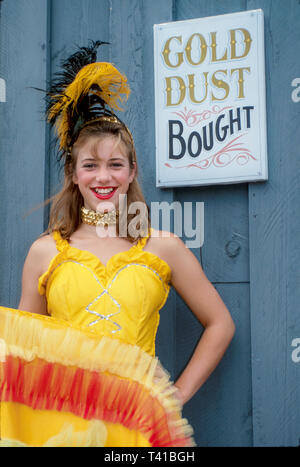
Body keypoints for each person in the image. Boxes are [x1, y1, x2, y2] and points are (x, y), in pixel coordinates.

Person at [0, 41, 235, 447]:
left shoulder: (163, 247)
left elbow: (221, 324)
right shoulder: (45, 251)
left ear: (131, 172)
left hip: (141, 426)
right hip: (65, 426)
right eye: (90, 165)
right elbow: (26, 356)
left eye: (115, 165)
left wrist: (173, 396)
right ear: (74, 174)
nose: (102, 177)